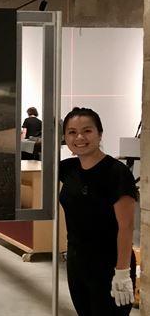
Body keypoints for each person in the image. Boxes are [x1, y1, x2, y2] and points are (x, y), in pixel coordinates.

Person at [59, 107, 137, 316]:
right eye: (72, 132)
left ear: (99, 133)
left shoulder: (116, 173)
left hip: (109, 264)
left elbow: (126, 226)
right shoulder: (68, 169)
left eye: (87, 131)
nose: (80, 137)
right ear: (65, 137)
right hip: (77, 261)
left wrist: (122, 272)